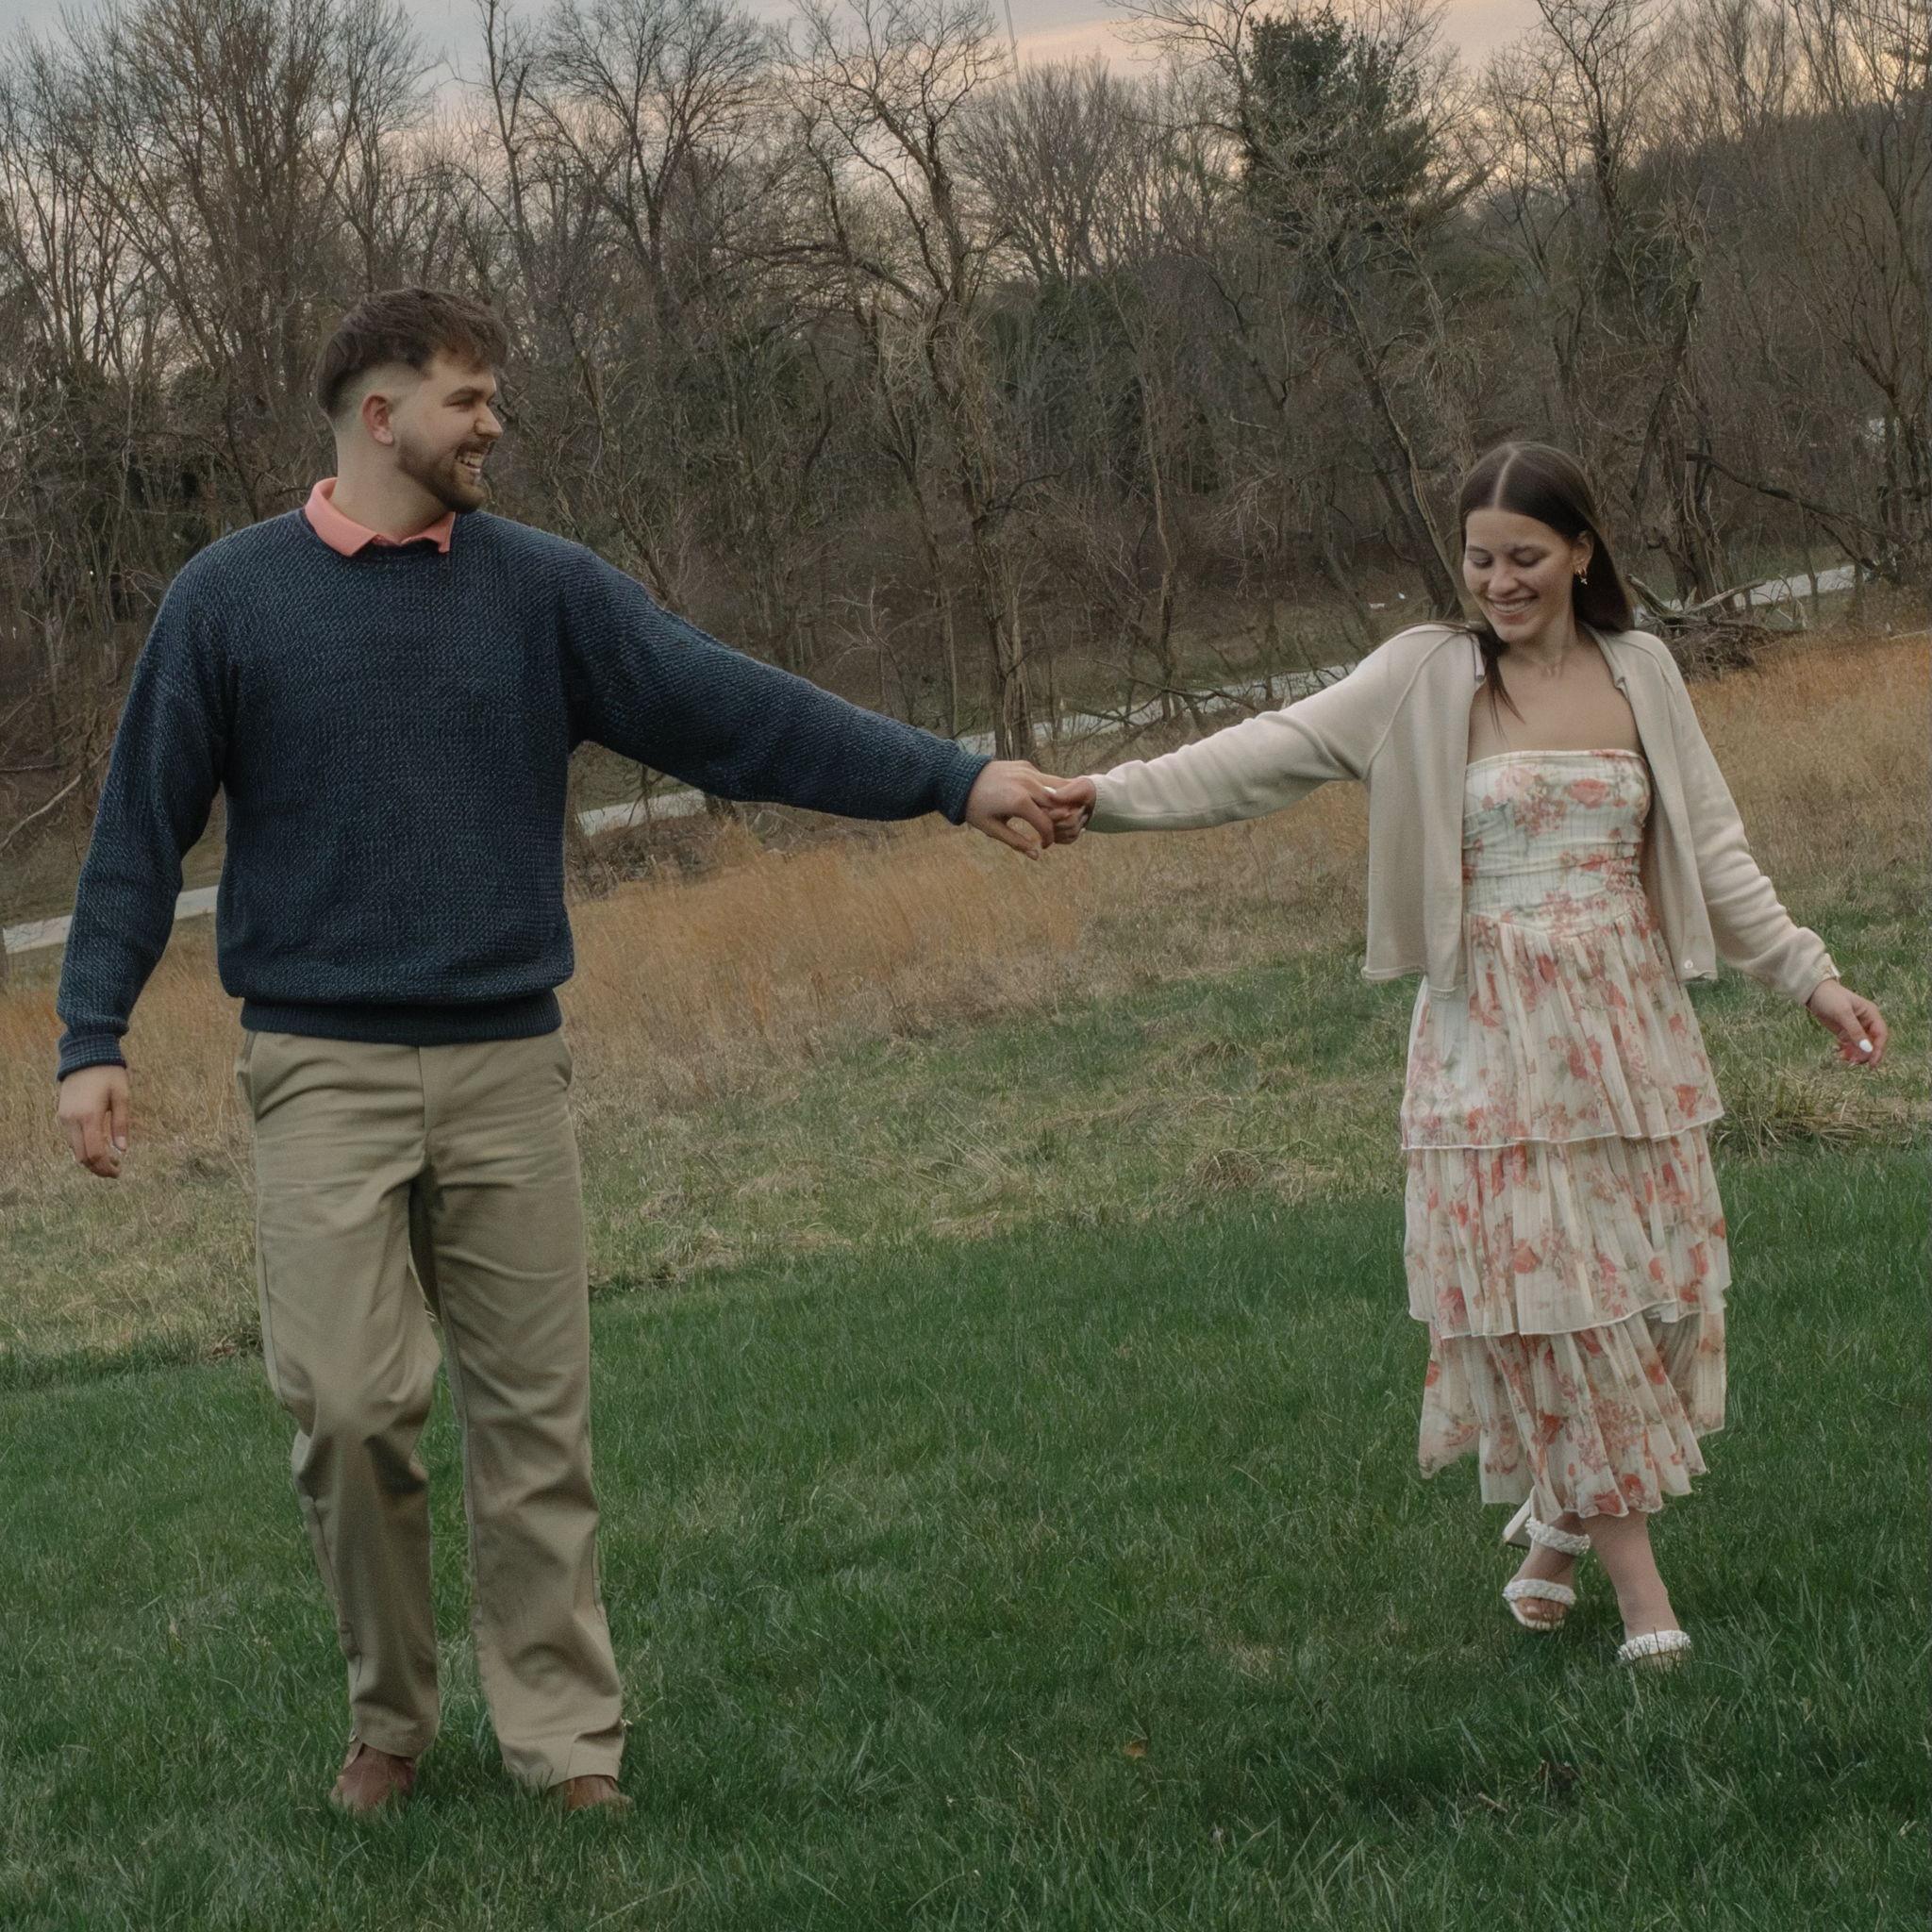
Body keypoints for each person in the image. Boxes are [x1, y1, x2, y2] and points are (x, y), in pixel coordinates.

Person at [52, 286, 1075, 1815]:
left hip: (507, 1065)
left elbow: (735, 712)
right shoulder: (230, 599)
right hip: (318, 1065)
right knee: (345, 1408)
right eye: (467, 400)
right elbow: (139, 829)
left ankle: (566, 1745)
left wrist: (951, 777)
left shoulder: (546, 591)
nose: (495, 426)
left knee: (535, 1426)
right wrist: (92, 1032)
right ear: (380, 414)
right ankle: (391, 1721)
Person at [1044, 440, 1889, 1669]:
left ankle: (1559, 1526)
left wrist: (1810, 975)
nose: (1500, 582)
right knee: (1560, 1307)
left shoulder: (1643, 671)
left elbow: (1714, 849)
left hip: (1629, 1035)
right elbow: (1259, 755)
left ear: (1582, 553)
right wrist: (1100, 797)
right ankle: (1645, 1604)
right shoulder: (1424, 677)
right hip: (1490, 1038)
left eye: (1525, 556)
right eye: (1480, 559)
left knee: (1660, 1301)